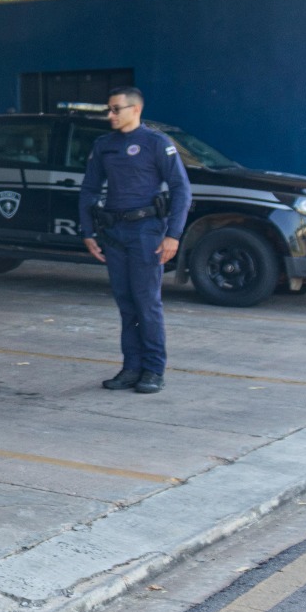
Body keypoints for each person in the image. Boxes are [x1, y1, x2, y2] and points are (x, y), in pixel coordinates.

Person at [80, 86, 192, 396]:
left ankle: (153, 370)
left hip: (147, 232)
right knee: (126, 304)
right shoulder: (104, 145)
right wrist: (88, 232)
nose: (110, 115)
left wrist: (173, 235)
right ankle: (131, 368)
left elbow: (181, 190)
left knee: (147, 304)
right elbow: (89, 189)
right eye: (109, 109)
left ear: (136, 110)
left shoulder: (156, 143)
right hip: (114, 233)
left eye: (116, 109)